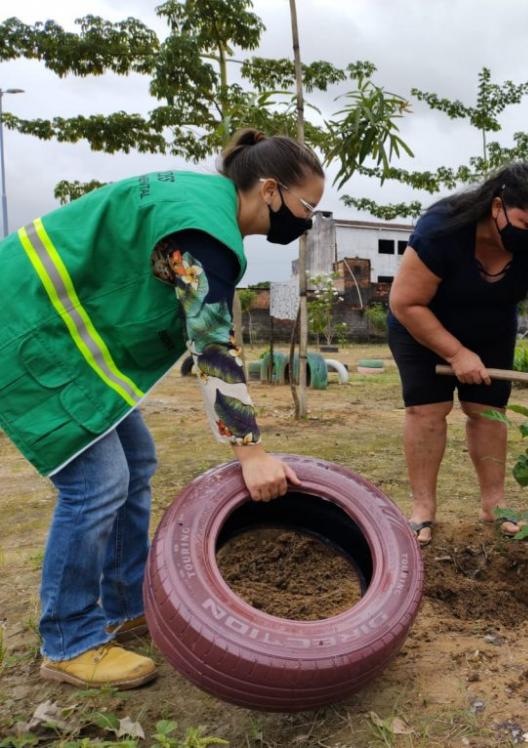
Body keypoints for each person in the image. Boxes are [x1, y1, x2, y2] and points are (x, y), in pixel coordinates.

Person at [0, 128, 324, 689]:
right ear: (270, 190)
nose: (307, 221)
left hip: (57, 333)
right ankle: (69, 639)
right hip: (28, 330)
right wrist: (251, 453)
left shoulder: (200, 202)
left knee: (137, 462)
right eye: (306, 207)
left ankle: (127, 603)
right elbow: (213, 344)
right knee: (97, 484)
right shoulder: (206, 233)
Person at [388, 162, 528, 546]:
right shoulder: (442, 230)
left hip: (491, 328)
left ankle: (494, 505)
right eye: (525, 224)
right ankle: (423, 510)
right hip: (423, 325)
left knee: (488, 413)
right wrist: (457, 353)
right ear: (496, 207)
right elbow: (406, 302)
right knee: (427, 411)